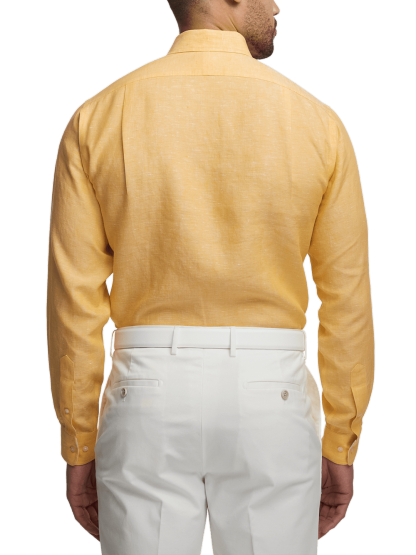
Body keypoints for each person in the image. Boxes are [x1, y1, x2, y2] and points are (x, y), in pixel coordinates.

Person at [46, 1, 375, 553]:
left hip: (145, 391)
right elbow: (347, 300)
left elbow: (74, 302)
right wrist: (341, 439)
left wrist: (79, 441)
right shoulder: (319, 122)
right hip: (272, 394)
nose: (277, 4)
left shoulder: (97, 118)